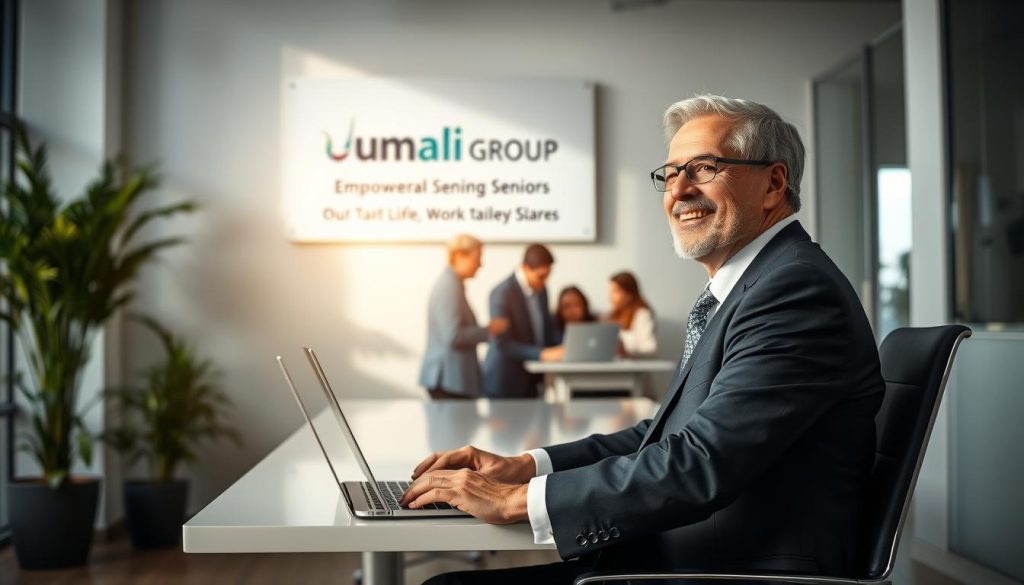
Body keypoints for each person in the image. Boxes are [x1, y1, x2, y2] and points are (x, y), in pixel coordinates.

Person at [402, 94, 884, 584]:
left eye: (703, 168)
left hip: (725, 573)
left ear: (773, 184)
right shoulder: (755, 286)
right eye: (670, 175)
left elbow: (700, 463)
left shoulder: (794, 291)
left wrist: (515, 501)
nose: (679, 191)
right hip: (683, 557)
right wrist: (526, 468)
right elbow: (661, 436)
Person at [418, 234, 508, 400]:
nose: (480, 264)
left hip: (453, 381)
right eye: (477, 258)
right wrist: (488, 330)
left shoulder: (454, 284)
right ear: (459, 256)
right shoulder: (448, 286)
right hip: (449, 382)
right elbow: (453, 336)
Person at [481, 244, 563, 398]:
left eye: (547, 275)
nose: (545, 281)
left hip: (532, 381)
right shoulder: (502, 294)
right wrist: (542, 354)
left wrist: (563, 346)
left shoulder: (542, 290)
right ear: (525, 268)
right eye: (541, 276)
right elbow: (503, 343)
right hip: (505, 382)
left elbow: (546, 328)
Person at [606, 271, 657, 357]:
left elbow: (650, 349)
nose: (611, 297)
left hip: (635, 364)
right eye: (611, 291)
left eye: (615, 291)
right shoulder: (612, 316)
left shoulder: (642, 314)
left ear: (629, 293)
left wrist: (626, 352)